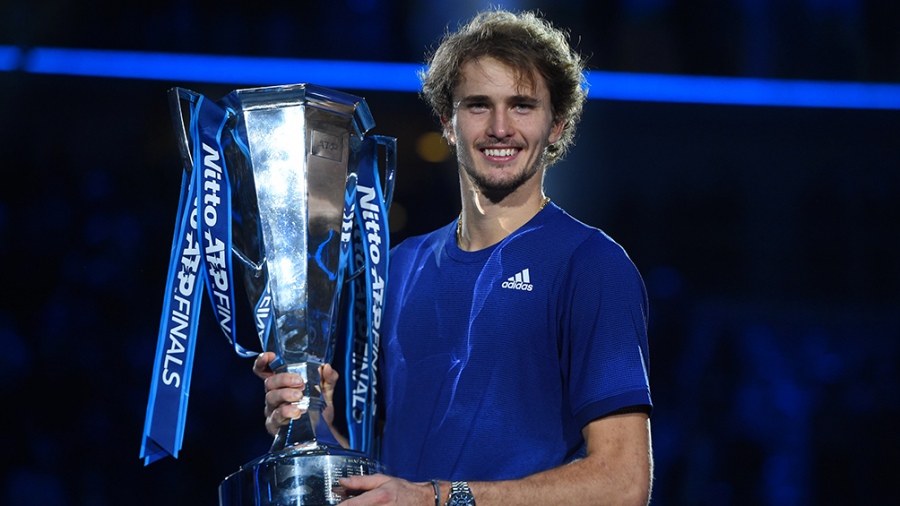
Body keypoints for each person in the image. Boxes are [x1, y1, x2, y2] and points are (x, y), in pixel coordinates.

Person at [255, 8, 653, 505]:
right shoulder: (397, 268)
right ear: (448, 121)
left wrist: (439, 498)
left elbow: (623, 483)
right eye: (479, 105)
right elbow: (391, 483)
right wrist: (316, 423)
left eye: (523, 106)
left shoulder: (591, 265)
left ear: (557, 125)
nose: (500, 127)